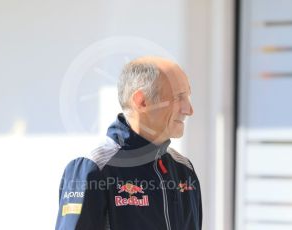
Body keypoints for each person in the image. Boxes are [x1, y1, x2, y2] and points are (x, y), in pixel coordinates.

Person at [55, 56, 202, 230]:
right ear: (142, 101)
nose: (189, 110)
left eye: (188, 96)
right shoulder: (93, 168)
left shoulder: (184, 169)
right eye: (179, 97)